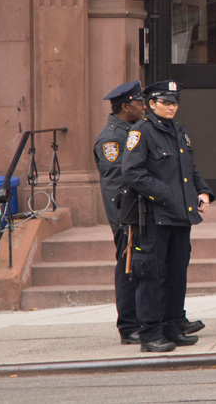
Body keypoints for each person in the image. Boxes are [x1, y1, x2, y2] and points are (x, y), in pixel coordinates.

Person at [122, 80, 214, 352]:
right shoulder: (142, 132)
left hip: (180, 216)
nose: (172, 107)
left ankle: (173, 326)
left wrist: (203, 191)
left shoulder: (179, 132)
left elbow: (189, 169)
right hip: (154, 217)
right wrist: (165, 194)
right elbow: (133, 172)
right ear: (151, 104)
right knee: (152, 276)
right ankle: (150, 333)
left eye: (174, 102)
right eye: (165, 102)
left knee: (176, 274)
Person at [94, 81, 145, 345]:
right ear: (125, 106)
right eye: (139, 102)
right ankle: (128, 326)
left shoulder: (134, 131)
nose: (144, 107)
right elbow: (115, 185)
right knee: (128, 270)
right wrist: (125, 221)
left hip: (141, 213)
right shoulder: (112, 138)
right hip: (126, 216)